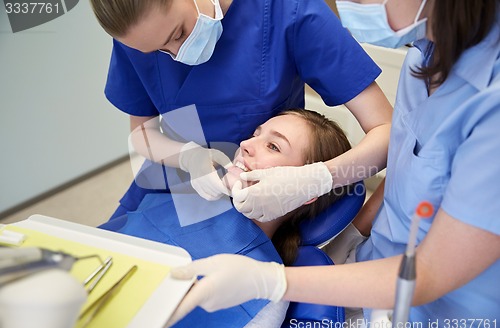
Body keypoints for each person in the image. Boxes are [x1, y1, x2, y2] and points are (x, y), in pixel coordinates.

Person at [165, 1, 500, 328]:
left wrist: (271, 282)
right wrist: (355, 233)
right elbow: (409, 168)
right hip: (370, 269)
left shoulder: (491, 106)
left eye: (273, 145)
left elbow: (430, 274)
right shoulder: (422, 60)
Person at [89, 0, 392, 224]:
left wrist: (316, 179)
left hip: (264, 206)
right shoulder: (140, 34)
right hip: (171, 187)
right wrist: (188, 157)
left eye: (179, 34)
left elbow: (388, 131)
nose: (176, 56)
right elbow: (142, 132)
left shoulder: (289, 11)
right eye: (156, 52)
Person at [101, 109, 353, 328]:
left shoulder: (265, 287)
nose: (245, 144)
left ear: (304, 189)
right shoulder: (181, 198)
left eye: (273, 146)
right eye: (256, 134)